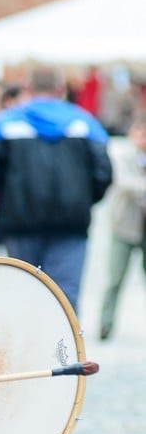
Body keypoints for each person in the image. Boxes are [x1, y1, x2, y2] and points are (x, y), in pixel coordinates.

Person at [0, 67, 113, 314]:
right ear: (61, 89)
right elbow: (104, 174)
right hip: (72, 226)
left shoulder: (6, 124)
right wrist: (82, 201)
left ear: (27, 88)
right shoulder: (84, 123)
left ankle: (25, 352)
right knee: (65, 302)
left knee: (24, 296)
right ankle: (65, 352)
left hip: (20, 226)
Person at [99, 116, 146, 340]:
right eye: (140, 133)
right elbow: (123, 182)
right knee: (115, 278)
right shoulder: (121, 155)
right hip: (124, 226)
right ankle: (105, 325)